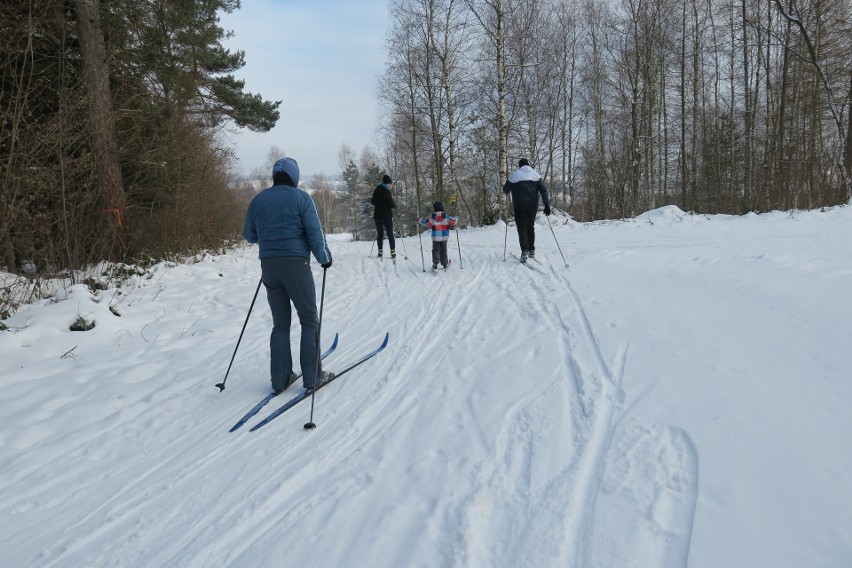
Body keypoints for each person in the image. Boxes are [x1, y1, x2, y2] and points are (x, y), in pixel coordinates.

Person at [243, 157, 334, 394]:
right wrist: (324, 258)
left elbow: (250, 236)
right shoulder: (301, 198)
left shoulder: (258, 200)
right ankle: (313, 377)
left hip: (269, 267)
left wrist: (270, 238)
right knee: (309, 319)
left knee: (280, 324)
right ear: (294, 176)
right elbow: (315, 232)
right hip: (296, 264)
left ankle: (280, 379)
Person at [502, 158, 551, 263]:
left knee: (521, 228)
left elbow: (505, 190)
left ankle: (524, 250)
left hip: (519, 205)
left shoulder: (514, 175)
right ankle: (531, 249)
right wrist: (546, 204)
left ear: (520, 166)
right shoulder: (536, 175)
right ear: (528, 165)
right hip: (533, 205)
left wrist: (510, 186)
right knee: (530, 226)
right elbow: (544, 190)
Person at [418, 201, 457, 270]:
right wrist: (456, 218)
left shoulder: (433, 217)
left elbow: (427, 223)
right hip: (444, 237)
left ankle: (435, 261)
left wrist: (419, 220)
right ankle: (445, 264)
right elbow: (453, 222)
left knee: (436, 250)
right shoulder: (446, 216)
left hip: (435, 237)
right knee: (443, 250)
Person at [371, 174, 397, 260]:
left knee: (380, 234)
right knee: (390, 234)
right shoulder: (386, 191)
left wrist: (379, 202)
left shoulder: (377, 189)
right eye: (390, 184)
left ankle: (380, 252)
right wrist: (395, 206)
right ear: (387, 184)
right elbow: (391, 204)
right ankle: (393, 252)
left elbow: (372, 201)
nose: (391, 185)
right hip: (386, 216)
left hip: (377, 216)